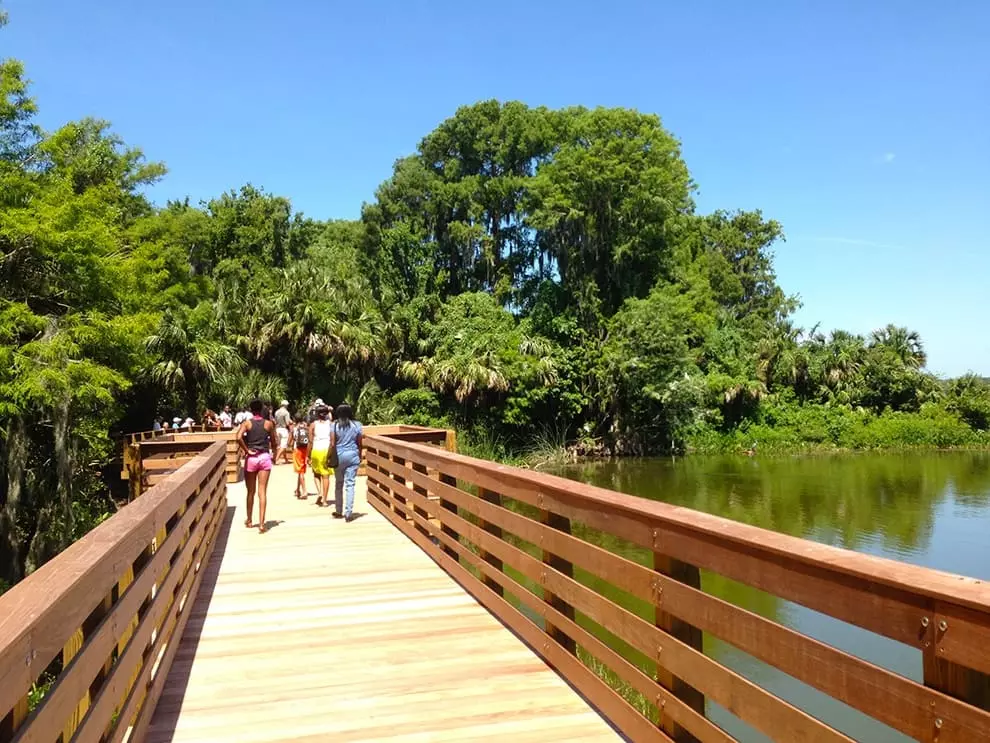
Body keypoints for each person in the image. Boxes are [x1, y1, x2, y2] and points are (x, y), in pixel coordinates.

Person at [237, 399, 274, 533]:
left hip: (252, 458)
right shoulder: (268, 424)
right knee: (262, 491)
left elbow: (238, 437)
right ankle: (262, 523)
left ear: (251, 410)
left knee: (250, 492)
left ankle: (249, 519)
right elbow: (274, 441)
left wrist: (247, 450)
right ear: (262, 409)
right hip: (264, 457)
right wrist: (274, 454)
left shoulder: (247, 423)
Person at [330, 402, 363, 522]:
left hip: (339, 457)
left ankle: (338, 510)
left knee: (339, 484)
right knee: (350, 484)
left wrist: (329, 456)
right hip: (353, 456)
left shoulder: (334, 425)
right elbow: (359, 442)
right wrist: (360, 454)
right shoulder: (357, 425)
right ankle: (348, 512)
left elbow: (333, 443)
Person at [307, 404, 334, 507]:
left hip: (316, 450)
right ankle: (325, 500)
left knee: (316, 473)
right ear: (327, 414)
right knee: (326, 475)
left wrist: (308, 455)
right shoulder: (331, 424)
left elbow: (310, 441)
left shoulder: (313, 425)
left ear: (317, 414)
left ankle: (320, 492)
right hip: (326, 450)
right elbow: (333, 440)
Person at [288, 412, 310, 499]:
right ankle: (298, 489)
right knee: (301, 470)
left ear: (294, 419)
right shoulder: (306, 427)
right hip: (306, 449)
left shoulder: (294, 428)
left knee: (300, 471)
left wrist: (289, 445)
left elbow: (290, 440)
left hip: (298, 450)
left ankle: (304, 491)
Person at [274, 399, 291, 464]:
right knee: (283, 446)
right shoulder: (286, 412)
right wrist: (291, 422)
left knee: (279, 445)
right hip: (283, 429)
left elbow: (275, 421)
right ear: (286, 405)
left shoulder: (276, 412)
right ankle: (276, 459)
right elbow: (287, 423)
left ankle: (286, 459)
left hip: (277, 429)